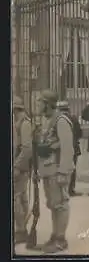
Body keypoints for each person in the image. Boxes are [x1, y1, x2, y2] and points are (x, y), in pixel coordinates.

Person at [34, 90, 74, 253]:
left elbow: (67, 149)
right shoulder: (46, 120)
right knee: (53, 205)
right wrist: (38, 170)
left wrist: (64, 172)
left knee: (61, 205)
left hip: (57, 169)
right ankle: (55, 235)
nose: (37, 105)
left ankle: (60, 239)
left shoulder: (61, 121)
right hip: (47, 169)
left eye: (39, 102)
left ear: (47, 103)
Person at [13, 96, 33, 244]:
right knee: (21, 197)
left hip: (20, 167)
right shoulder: (17, 122)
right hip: (19, 165)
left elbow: (26, 149)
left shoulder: (24, 124)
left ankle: (21, 230)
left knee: (16, 198)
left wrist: (16, 166)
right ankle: (22, 227)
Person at [56, 101, 83, 197]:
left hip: (61, 148)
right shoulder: (73, 118)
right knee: (72, 168)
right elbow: (80, 133)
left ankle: (62, 190)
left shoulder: (57, 119)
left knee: (60, 168)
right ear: (68, 108)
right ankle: (71, 189)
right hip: (74, 146)